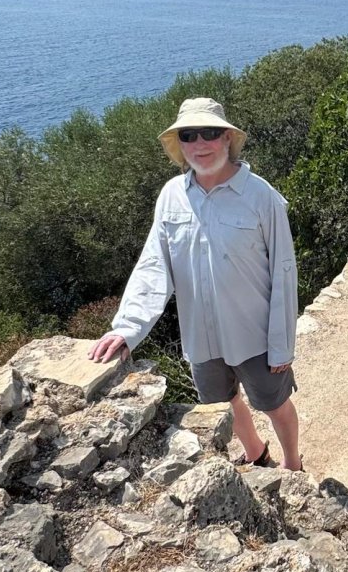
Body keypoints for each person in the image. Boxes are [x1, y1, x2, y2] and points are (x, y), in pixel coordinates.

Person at [89, 97, 302, 471]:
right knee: (223, 403)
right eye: (189, 135)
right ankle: (257, 455)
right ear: (180, 145)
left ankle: (293, 464)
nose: (200, 143)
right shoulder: (171, 195)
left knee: (274, 404)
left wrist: (281, 343)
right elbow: (154, 265)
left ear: (227, 140)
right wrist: (127, 328)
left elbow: (285, 271)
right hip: (201, 336)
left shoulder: (261, 197)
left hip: (253, 332)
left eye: (210, 133)